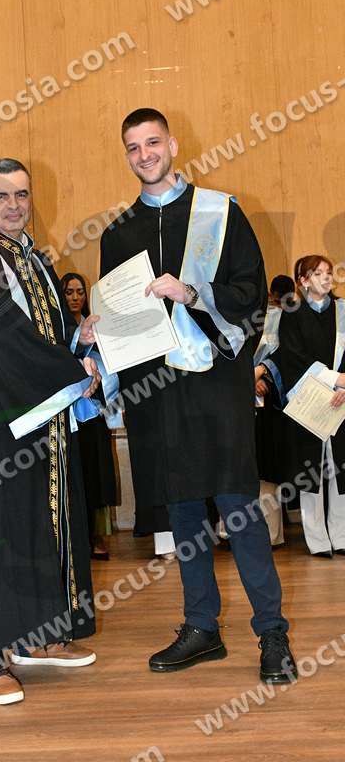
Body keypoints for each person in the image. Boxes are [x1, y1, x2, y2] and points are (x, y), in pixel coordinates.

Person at [99, 108, 296, 683]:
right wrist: (98, 338)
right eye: (133, 147)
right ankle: (201, 627)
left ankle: (272, 633)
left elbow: (251, 294)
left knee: (239, 508)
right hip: (157, 393)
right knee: (183, 510)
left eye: (152, 142)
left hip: (216, 381)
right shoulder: (118, 232)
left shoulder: (221, 212)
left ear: (174, 144)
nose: (144, 155)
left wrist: (191, 292)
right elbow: (118, 318)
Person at [0, 158, 101, 706]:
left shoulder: (35, 259)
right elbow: (4, 337)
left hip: (42, 419)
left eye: (21, 194)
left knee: (39, 527)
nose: (13, 205)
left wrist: (78, 340)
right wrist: (68, 369)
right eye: (1, 195)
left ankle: (37, 634)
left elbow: (45, 334)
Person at [259, 255, 345, 558]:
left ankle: (341, 536)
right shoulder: (292, 314)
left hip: (341, 398)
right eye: (318, 273)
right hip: (310, 398)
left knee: (339, 469)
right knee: (312, 471)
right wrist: (334, 379)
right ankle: (317, 539)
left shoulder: (342, 311)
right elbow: (292, 357)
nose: (326, 278)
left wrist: (344, 385)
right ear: (303, 281)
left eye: (329, 272)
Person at [61, 272, 117, 560]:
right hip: (66, 411)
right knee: (74, 475)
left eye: (79, 291)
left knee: (95, 474)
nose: (75, 297)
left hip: (94, 409)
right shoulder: (58, 327)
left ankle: (96, 536)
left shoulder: (96, 326)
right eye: (69, 292)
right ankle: (75, 537)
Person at [253, 275, 296, 546]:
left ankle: (270, 533)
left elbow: (285, 355)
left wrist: (263, 377)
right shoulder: (243, 317)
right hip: (238, 397)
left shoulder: (283, 318)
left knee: (266, 468)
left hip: (269, 400)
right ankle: (233, 532)